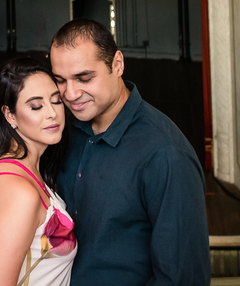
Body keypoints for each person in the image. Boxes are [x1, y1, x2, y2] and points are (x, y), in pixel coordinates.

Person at [50, 19, 209, 286]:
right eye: (60, 81)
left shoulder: (166, 154)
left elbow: (182, 279)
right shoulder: (64, 131)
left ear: (118, 64)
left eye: (84, 78)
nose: (71, 93)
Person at [0, 56, 76, 286]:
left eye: (56, 101)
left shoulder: (9, 168)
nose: (52, 113)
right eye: (36, 106)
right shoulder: (19, 194)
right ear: (10, 115)